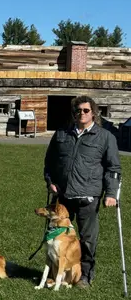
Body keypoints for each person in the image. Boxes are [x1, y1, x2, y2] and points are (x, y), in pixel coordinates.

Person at [44, 95, 121, 288]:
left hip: (88, 196)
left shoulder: (105, 137)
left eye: (86, 110)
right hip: (63, 196)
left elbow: (113, 169)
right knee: (57, 236)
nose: (81, 114)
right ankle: (56, 273)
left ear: (93, 113)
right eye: (78, 110)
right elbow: (50, 162)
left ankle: (85, 276)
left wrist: (111, 194)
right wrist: (50, 181)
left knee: (87, 240)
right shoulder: (62, 134)